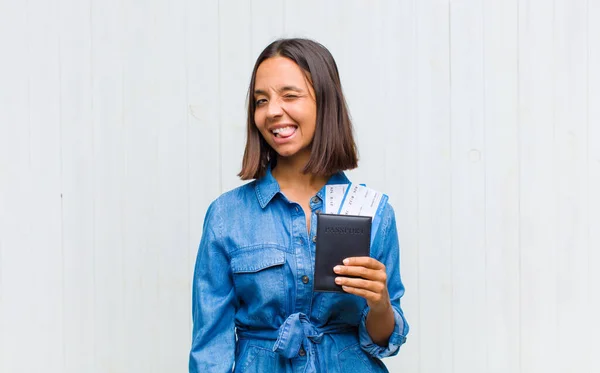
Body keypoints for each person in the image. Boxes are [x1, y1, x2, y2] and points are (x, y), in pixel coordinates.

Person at [189, 38, 408, 373]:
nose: (272, 111)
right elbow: (210, 348)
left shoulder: (375, 212)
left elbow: (382, 341)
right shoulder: (226, 216)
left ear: (325, 102)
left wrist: (379, 303)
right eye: (261, 101)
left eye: (290, 95)